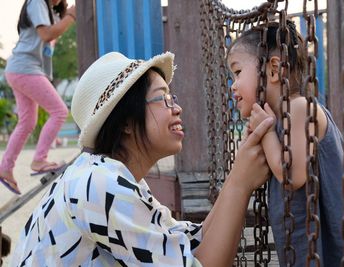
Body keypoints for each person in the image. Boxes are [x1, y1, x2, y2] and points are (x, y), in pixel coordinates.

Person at [10, 51, 273, 266]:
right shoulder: (101, 184)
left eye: (172, 98)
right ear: (125, 120)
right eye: (163, 99)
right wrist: (240, 183)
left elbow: (191, 240)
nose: (177, 108)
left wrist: (239, 171)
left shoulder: (108, 175)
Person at [226, 21, 344, 266]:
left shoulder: (300, 108)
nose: (233, 86)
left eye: (237, 73)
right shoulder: (281, 119)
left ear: (273, 70)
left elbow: (292, 174)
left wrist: (268, 133)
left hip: (336, 249)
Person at [0, 0, 76, 194]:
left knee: (27, 122)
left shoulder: (52, 11)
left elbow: (54, 32)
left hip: (22, 69)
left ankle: (5, 169)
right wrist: (72, 16)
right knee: (59, 111)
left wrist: (66, 15)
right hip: (25, 68)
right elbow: (46, 34)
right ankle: (39, 160)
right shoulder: (36, 2)